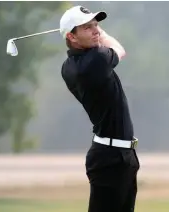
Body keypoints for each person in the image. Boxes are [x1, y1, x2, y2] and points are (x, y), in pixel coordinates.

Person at [59, 5, 140, 212]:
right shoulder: (96, 60)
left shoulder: (69, 66)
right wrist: (103, 34)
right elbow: (120, 49)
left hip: (119, 154)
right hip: (110, 157)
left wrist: (91, 30)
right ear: (72, 37)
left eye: (97, 25)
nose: (96, 30)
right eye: (87, 27)